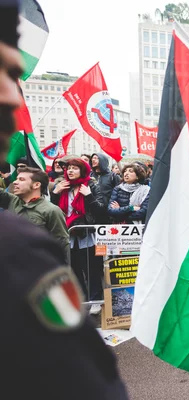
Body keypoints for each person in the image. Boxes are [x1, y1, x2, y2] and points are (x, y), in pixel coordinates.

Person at [0, 2, 128, 397]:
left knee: (91, 279)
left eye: (14, 76)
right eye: (4, 74)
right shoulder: (16, 248)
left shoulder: (26, 240)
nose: (13, 97)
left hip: (82, 242)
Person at [51, 158, 106, 314]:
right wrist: (55, 193)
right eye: (68, 168)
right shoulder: (62, 186)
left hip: (86, 234)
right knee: (74, 269)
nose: (70, 171)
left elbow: (101, 212)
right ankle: (82, 298)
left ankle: (95, 299)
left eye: (74, 168)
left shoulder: (92, 186)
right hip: (67, 233)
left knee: (92, 269)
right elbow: (52, 210)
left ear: (82, 170)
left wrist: (89, 196)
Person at [0, 167, 69, 260]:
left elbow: (62, 244)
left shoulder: (52, 210)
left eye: (21, 179)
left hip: (38, 267)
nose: (15, 182)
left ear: (36, 185)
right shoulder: (12, 201)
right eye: (16, 179)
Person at [90, 153, 121, 223]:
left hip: (109, 212)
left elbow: (119, 192)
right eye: (92, 158)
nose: (93, 160)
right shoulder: (89, 175)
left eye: (96, 158)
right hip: (93, 211)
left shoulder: (113, 176)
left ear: (102, 160)